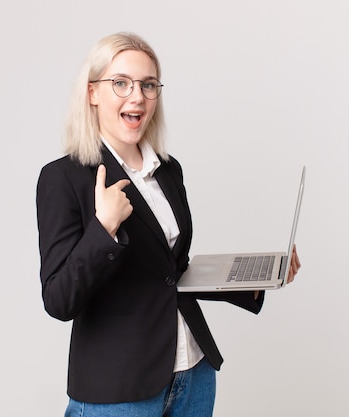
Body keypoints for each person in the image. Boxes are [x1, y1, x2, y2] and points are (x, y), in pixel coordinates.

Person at [36, 32, 301, 417]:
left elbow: (169, 271)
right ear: (93, 93)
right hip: (121, 389)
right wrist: (103, 228)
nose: (137, 96)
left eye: (148, 85)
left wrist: (257, 279)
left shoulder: (167, 169)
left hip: (192, 373)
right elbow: (58, 300)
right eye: (121, 83)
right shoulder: (64, 178)